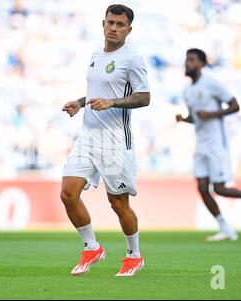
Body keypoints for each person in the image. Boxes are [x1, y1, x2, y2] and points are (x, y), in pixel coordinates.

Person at [61, 4, 150, 277]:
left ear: (129, 29)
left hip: (114, 141)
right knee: (67, 194)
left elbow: (144, 97)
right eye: (111, 22)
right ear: (103, 24)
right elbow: (95, 92)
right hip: (88, 136)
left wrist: (113, 103)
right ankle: (92, 247)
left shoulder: (132, 59)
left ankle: (134, 255)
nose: (114, 28)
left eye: (120, 24)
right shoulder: (96, 55)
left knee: (118, 204)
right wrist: (79, 103)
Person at [176, 48, 241, 242]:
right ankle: (225, 228)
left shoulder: (211, 83)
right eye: (187, 60)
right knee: (202, 189)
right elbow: (198, 118)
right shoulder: (187, 91)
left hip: (216, 144)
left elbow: (235, 105)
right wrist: (185, 119)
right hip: (201, 145)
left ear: (201, 64)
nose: (188, 63)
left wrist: (210, 114)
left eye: (192, 60)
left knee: (219, 189)